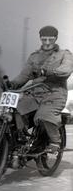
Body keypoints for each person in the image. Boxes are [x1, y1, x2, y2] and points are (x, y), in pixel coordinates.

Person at [10, 25, 73, 153]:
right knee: (15, 110)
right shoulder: (34, 57)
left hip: (55, 94)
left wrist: (47, 71)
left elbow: (66, 69)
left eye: (51, 39)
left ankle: (55, 141)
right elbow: (24, 75)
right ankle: (22, 141)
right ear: (40, 39)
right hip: (35, 93)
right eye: (44, 39)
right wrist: (12, 85)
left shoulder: (64, 54)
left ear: (55, 39)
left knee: (44, 115)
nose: (47, 42)